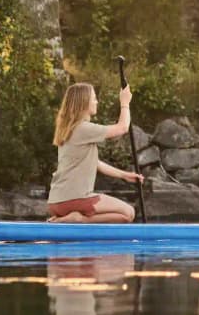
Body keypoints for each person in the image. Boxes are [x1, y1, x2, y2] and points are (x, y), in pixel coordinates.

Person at [47, 82, 144, 223]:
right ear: (84, 102)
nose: (96, 102)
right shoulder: (83, 128)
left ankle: (66, 219)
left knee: (125, 213)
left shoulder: (68, 131)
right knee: (128, 213)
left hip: (56, 202)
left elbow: (96, 163)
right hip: (75, 199)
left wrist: (124, 175)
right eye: (94, 98)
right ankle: (79, 219)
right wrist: (125, 103)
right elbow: (122, 128)